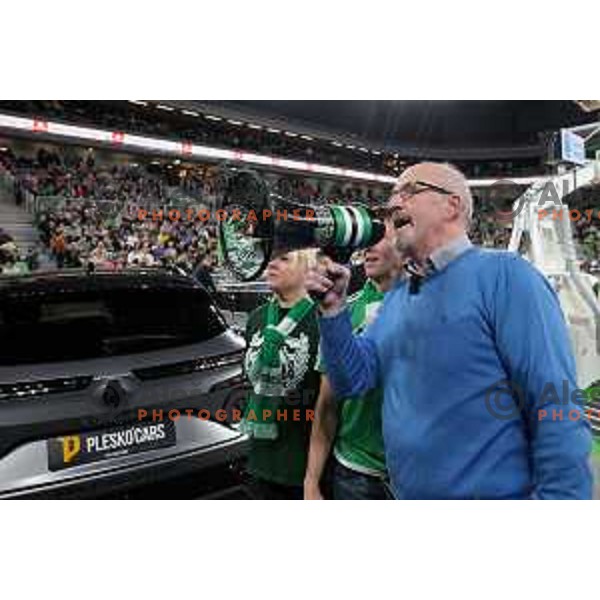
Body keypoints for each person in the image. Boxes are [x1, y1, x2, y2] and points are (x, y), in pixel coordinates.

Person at [307, 162, 592, 500]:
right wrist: (333, 311)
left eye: (409, 191)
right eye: (392, 195)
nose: (393, 203)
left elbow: (554, 402)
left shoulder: (507, 276)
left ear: (451, 205)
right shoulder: (401, 294)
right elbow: (353, 380)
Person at [304, 236, 403, 500]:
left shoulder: (435, 305)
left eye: (380, 238)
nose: (368, 247)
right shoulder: (341, 311)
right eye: (367, 241)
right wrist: (311, 482)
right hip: (357, 476)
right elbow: (327, 407)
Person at [241, 249, 321, 500]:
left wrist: (313, 478)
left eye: (284, 259)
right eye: (270, 257)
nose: (271, 264)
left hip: (302, 468)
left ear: (307, 267)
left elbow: (327, 404)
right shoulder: (256, 319)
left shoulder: (321, 319)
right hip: (259, 461)